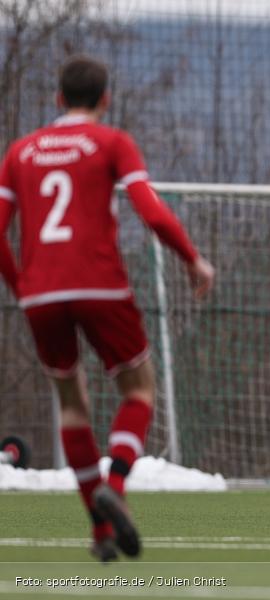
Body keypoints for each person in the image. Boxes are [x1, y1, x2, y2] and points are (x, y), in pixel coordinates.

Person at [0, 55, 215, 562]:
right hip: (100, 286)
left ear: (58, 99)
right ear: (105, 99)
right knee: (139, 388)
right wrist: (192, 259)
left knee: (71, 403)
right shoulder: (112, 142)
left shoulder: (20, 151)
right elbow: (150, 211)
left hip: (41, 294)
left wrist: (21, 285)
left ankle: (100, 531)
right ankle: (114, 486)